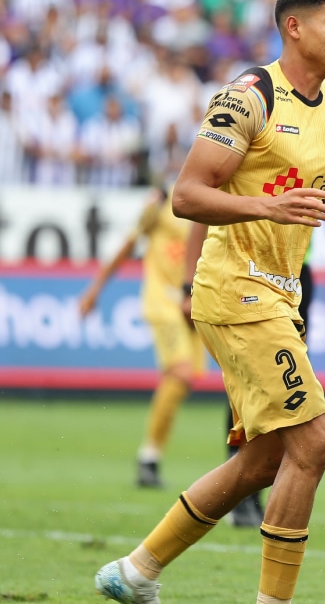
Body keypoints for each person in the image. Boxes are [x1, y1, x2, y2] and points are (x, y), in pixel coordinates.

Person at [94, 0, 325, 604]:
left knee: (264, 461)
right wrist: (269, 206)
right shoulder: (249, 95)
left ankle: (136, 572)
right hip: (234, 289)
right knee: (316, 442)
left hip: (279, 295)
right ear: (295, 27)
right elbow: (186, 194)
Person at [217, 193, 325, 528]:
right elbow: (201, 201)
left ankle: (269, 488)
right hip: (248, 268)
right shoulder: (257, 144)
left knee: (285, 384)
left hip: (296, 276)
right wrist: (188, 284)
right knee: (251, 381)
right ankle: (240, 484)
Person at [79, 186, 207, 490]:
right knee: (181, 372)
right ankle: (148, 457)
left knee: (183, 381)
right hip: (163, 300)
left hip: (196, 301)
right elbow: (128, 245)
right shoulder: (163, 200)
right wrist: (95, 289)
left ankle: (150, 458)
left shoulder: (211, 199)